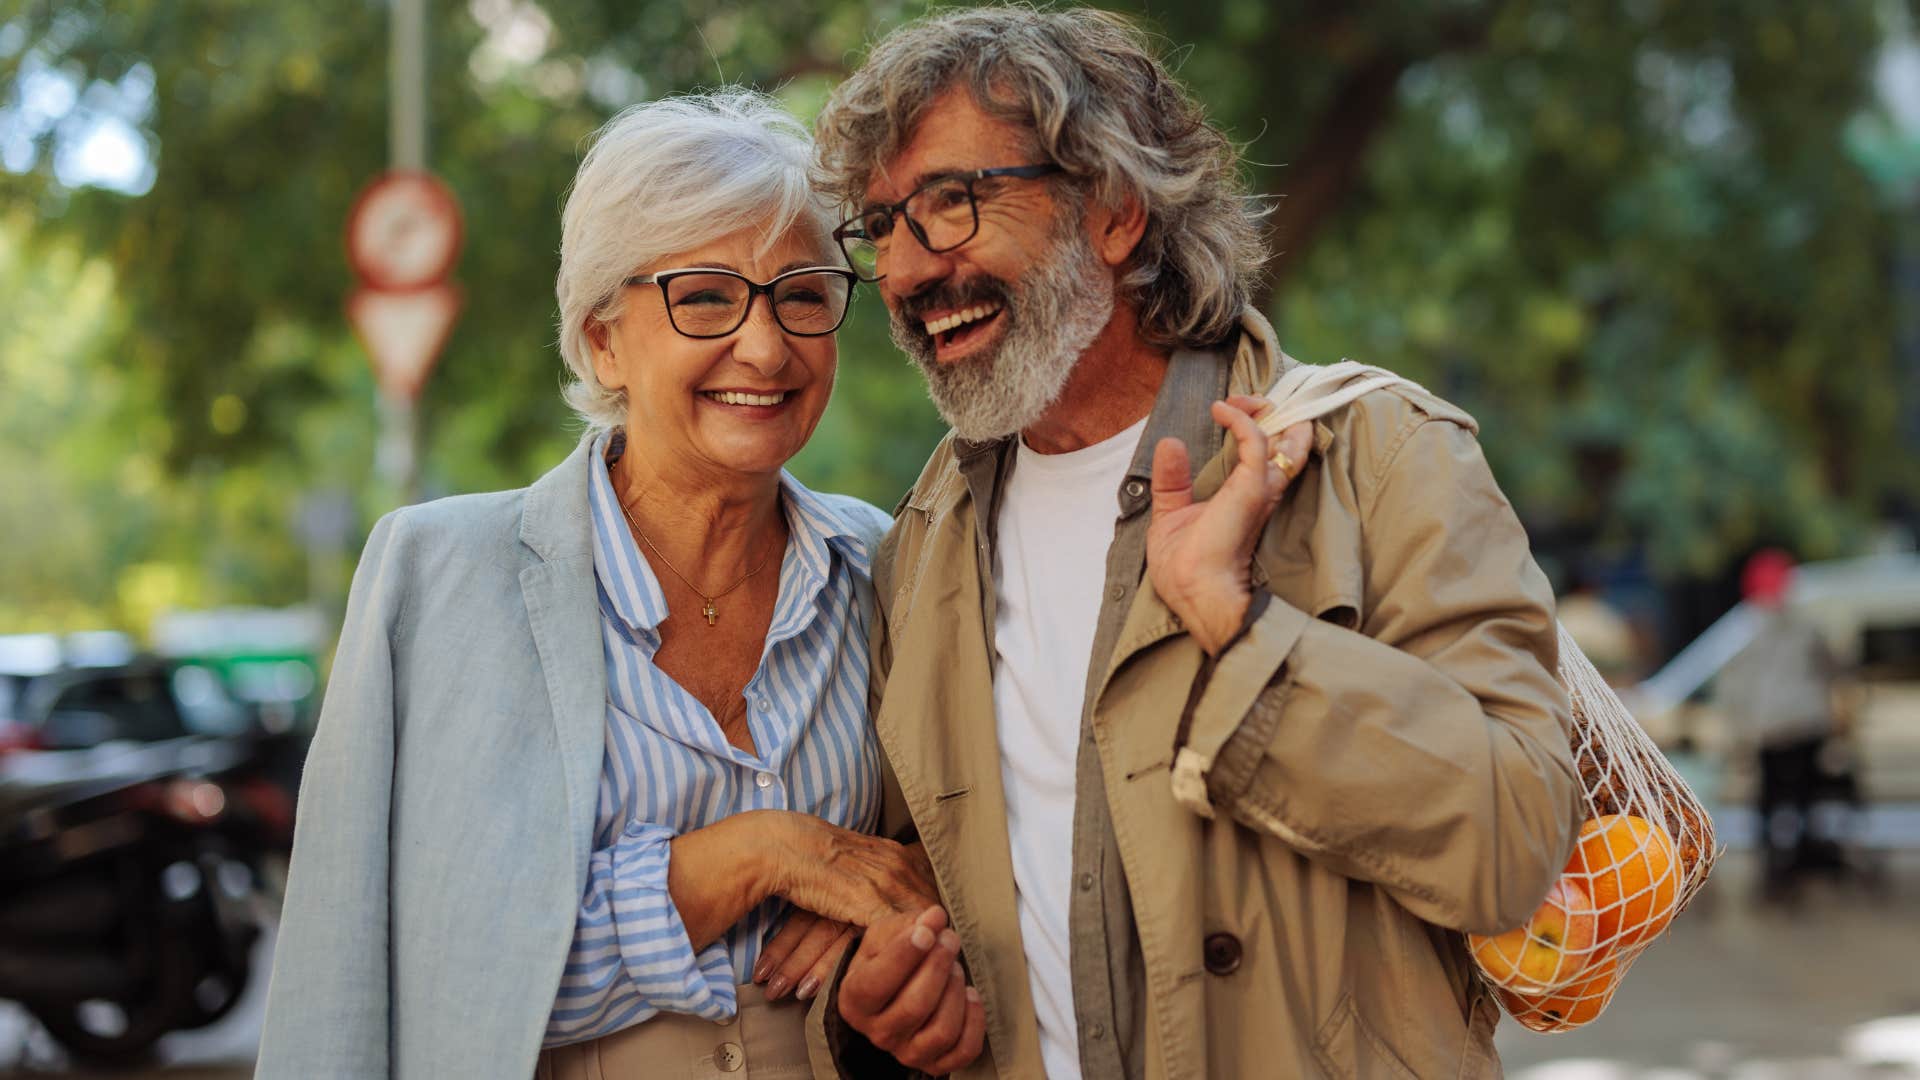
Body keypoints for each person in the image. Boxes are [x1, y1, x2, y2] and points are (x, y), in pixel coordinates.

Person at [806, 8, 1583, 1077]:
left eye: (950, 203)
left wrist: (1243, 630)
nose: (903, 269)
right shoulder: (925, 541)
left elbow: (1514, 841)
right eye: (881, 224)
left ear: (1115, 211)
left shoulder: (1384, 456)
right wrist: (883, 1005)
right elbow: (941, 895)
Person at [255, 91, 950, 1080]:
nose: (766, 345)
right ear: (601, 339)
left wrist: (915, 896)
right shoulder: (435, 576)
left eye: (803, 292)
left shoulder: (882, 565)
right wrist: (760, 853)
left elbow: (957, 852)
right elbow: (381, 964)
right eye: (705, 296)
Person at [1715, 548, 1843, 899]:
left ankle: (1776, 862)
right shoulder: (1804, 624)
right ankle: (1794, 858)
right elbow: (1833, 666)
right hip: (1803, 725)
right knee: (1799, 796)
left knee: (1772, 797)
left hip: (1770, 728)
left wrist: (1739, 732)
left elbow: (1733, 688)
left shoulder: (1745, 629)